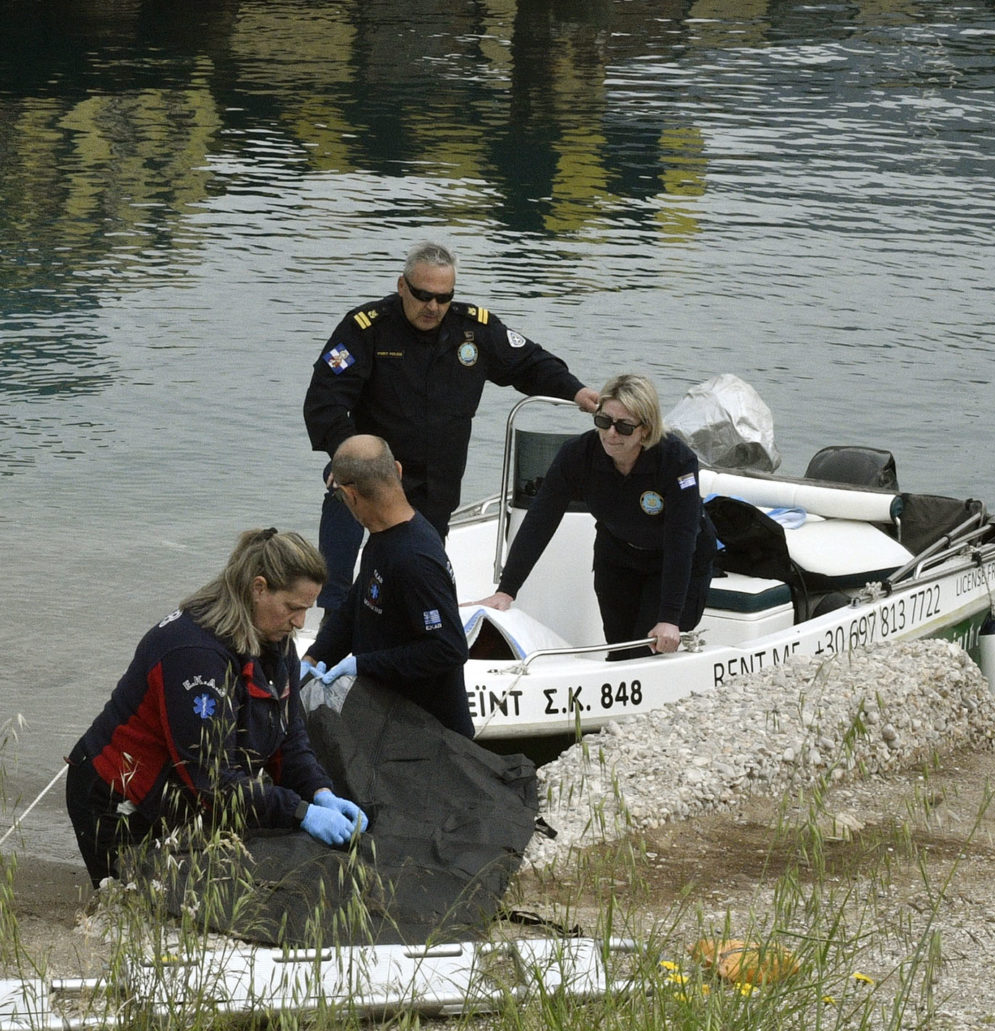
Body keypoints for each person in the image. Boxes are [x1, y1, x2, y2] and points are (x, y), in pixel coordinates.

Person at [302, 240, 601, 609]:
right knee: (341, 498)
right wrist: (344, 451)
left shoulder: (473, 329)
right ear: (402, 286)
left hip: (436, 480)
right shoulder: (366, 327)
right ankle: (332, 616)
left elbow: (529, 363)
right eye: (423, 295)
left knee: (417, 574)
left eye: (443, 298)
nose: (433, 307)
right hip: (373, 470)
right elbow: (324, 399)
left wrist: (576, 391)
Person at [69, 530, 369, 885]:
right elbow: (213, 780)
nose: (301, 623)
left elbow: (289, 738)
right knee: (131, 904)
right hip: (118, 798)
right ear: (259, 588)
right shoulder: (195, 655)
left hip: (180, 792)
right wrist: (300, 813)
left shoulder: (276, 640)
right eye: (293, 607)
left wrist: (320, 793)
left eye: (307, 609)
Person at [486, 372, 718, 661]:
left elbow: (681, 541)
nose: (611, 434)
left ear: (645, 430)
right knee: (618, 650)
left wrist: (670, 616)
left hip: (675, 558)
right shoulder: (578, 455)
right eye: (604, 422)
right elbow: (540, 520)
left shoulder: (676, 461)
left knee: (644, 649)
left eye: (624, 427)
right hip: (618, 554)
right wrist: (507, 590)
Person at [305, 435, 474, 739]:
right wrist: (314, 657)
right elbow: (357, 602)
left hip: (431, 734)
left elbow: (448, 648)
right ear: (397, 469)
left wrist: (363, 664)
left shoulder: (414, 559)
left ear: (349, 494)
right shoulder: (383, 535)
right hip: (388, 718)